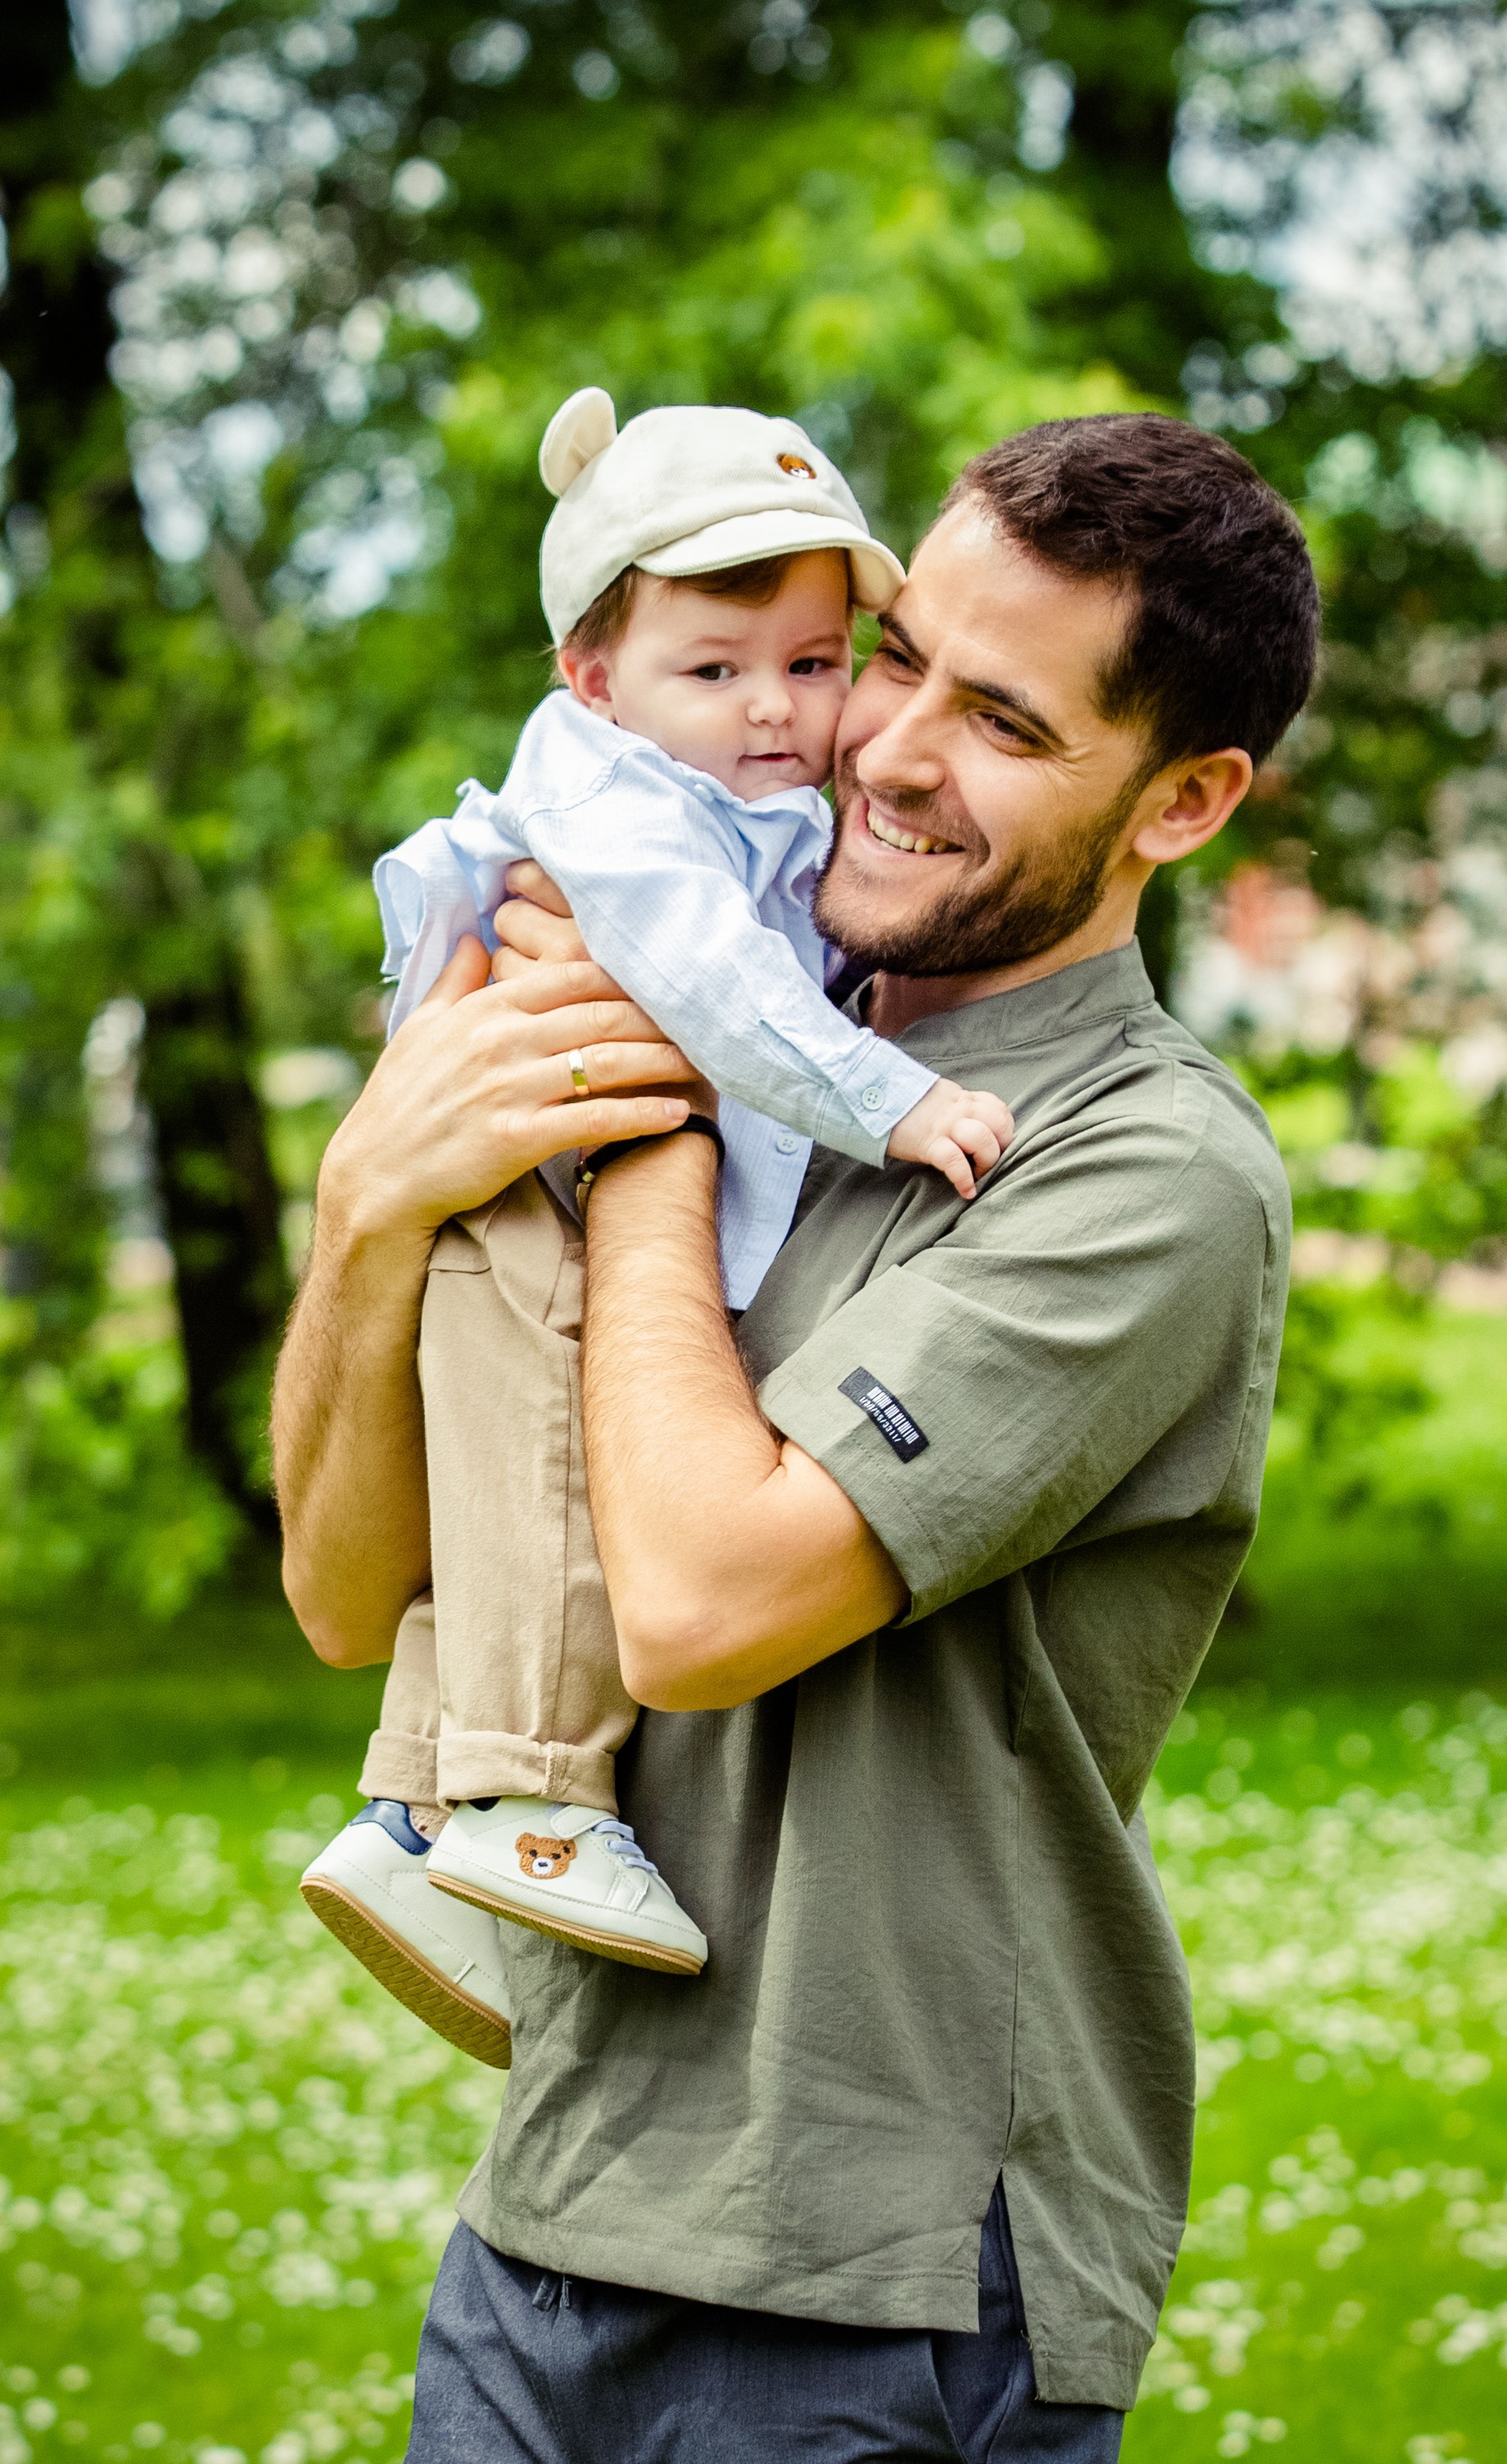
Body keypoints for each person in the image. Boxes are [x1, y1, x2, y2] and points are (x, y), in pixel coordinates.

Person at [273, 409, 1320, 2461]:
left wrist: (656, 1119)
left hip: (879, 2274)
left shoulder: (1140, 1170)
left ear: (1185, 802)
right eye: (894, 656)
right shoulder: (764, 1021)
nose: (886, 747)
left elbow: (695, 1606)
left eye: (1002, 721)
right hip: (550, 2214)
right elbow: (341, 1594)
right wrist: (368, 1208)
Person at [297, 391, 1013, 2052]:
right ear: (595, 677)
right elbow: (713, 995)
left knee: (512, 1484)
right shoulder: (622, 812)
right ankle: (541, 1803)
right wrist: (897, 1101)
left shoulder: (706, 789)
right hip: (532, 1187)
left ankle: (415, 1807)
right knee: (560, 1456)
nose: (775, 707)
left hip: (530, 1170)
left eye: (815, 661)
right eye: (716, 667)